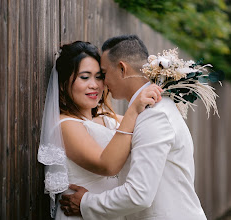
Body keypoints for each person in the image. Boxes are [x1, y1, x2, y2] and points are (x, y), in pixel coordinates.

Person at [59, 35, 207, 220]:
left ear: (122, 68)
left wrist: (86, 203)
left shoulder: (154, 114)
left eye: (102, 75)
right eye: (86, 77)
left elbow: (138, 194)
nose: (101, 84)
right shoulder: (145, 112)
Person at [37, 41, 162, 219]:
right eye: (85, 77)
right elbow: (107, 165)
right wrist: (133, 109)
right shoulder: (64, 125)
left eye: (99, 76)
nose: (95, 85)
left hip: (110, 211)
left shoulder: (109, 119)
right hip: (79, 214)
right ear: (64, 84)